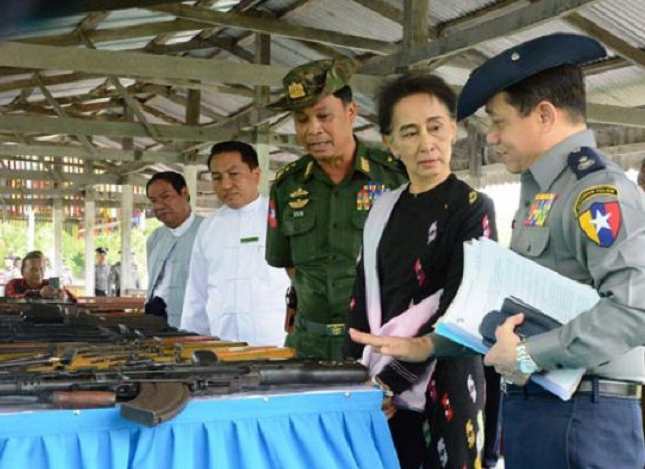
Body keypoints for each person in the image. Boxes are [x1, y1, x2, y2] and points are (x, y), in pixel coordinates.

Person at [352, 33, 645, 469]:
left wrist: (529, 354)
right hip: (537, 409)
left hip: (584, 414)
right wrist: (428, 345)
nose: (491, 137)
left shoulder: (596, 193)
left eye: (499, 121)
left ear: (544, 115)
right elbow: (513, 312)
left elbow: (633, 310)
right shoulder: (541, 192)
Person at [343, 72, 497, 468]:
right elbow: (362, 300)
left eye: (435, 127)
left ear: (454, 131)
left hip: (442, 386)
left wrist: (388, 383)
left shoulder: (472, 207)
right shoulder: (381, 210)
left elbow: (459, 309)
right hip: (378, 390)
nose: (426, 143)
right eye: (409, 133)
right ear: (391, 144)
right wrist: (356, 382)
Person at [265, 57, 407, 360]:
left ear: (351, 111)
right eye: (302, 120)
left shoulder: (394, 177)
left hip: (374, 345)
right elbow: (289, 264)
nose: (313, 130)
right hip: (306, 345)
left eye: (324, 116)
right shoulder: (287, 187)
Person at [181, 141, 289, 346]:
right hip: (221, 346)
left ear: (256, 174)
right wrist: (192, 343)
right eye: (217, 177)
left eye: (234, 174)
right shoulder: (208, 228)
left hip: (276, 344)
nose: (226, 185)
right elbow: (197, 293)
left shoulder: (281, 219)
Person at [145, 171, 204, 328]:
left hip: (196, 327)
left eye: (165, 197)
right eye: (153, 200)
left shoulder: (208, 231)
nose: (158, 206)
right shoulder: (155, 238)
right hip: (156, 322)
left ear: (184, 193)